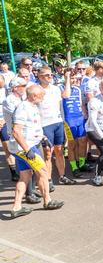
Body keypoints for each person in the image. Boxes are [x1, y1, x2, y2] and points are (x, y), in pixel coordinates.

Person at [9, 85, 64, 218]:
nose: (43, 97)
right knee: (43, 172)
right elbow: (16, 131)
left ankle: (16, 207)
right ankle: (47, 201)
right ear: (33, 96)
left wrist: (43, 138)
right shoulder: (23, 108)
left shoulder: (33, 107)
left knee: (25, 176)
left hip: (27, 145)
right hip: (25, 147)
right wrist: (28, 150)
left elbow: (33, 127)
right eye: (41, 95)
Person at [37, 67, 76, 186]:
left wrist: (68, 77)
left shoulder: (55, 88)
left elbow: (67, 95)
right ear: (39, 77)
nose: (50, 77)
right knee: (48, 153)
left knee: (59, 150)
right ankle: (48, 180)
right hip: (44, 124)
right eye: (46, 75)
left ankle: (62, 176)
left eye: (51, 75)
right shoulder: (36, 90)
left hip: (58, 122)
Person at [62, 72, 91, 178]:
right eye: (71, 78)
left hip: (80, 118)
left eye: (74, 78)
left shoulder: (77, 89)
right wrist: (68, 79)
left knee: (83, 141)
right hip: (69, 120)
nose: (73, 80)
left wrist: (86, 116)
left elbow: (81, 104)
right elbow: (66, 95)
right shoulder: (61, 88)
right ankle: (74, 167)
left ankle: (82, 164)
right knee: (72, 144)